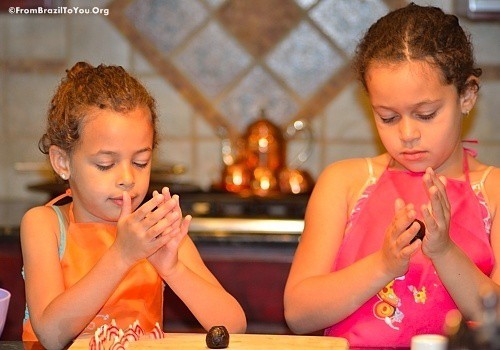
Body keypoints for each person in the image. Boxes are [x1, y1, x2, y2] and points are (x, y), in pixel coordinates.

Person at [283, 3, 499, 347]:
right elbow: (298, 312)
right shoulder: (344, 183)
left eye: (426, 114)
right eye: (388, 117)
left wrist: (443, 250)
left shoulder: (494, 191)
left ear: (467, 95)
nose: (408, 133)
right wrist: (384, 264)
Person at [20, 62, 246, 349]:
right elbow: (51, 335)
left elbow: (235, 326)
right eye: (106, 164)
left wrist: (173, 268)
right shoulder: (44, 225)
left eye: (140, 162)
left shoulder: (156, 230)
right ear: (63, 162)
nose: (127, 178)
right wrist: (121, 255)